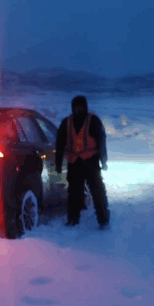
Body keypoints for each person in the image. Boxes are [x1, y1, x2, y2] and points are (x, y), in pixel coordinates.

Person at [55, 95, 110, 229]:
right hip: (74, 163)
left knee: (97, 192)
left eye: (81, 107)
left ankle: (103, 220)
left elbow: (101, 140)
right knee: (73, 193)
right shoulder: (66, 123)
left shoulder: (93, 120)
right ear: (72, 108)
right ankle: (72, 219)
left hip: (91, 163)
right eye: (76, 107)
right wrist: (58, 163)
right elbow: (60, 143)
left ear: (85, 107)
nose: (78, 109)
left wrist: (103, 160)